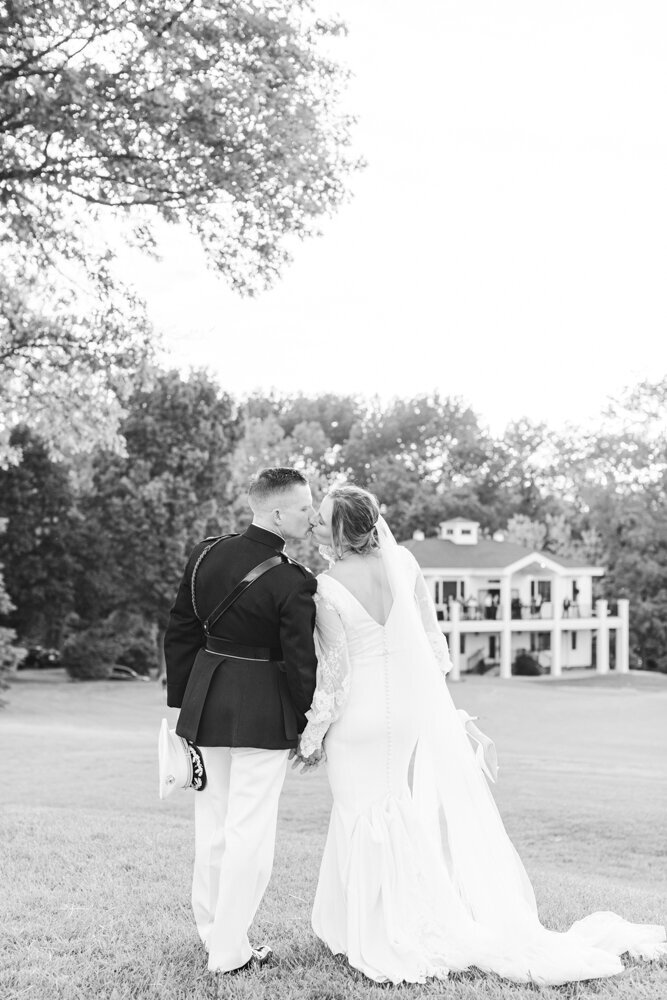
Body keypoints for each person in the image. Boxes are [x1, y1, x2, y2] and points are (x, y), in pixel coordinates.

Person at [296, 484, 666, 986]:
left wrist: (313, 734)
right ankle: (397, 918)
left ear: (341, 530)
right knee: (393, 807)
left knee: (359, 813)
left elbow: (335, 674)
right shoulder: (403, 563)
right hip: (404, 713)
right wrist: (430, 700)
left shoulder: (328, 586)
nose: (314, 525)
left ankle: (372, 929)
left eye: (321, 518)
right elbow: (433, 643)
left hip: (357, 719)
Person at [164, 467, 320, 974]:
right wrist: (304, 726)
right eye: (304, 507)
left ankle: (215, 934)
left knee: (212, 827)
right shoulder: (294, 580)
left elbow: (180, 629)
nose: (312, 514)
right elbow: (301, 664)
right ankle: (229, 951)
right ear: (277, 513)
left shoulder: (206, 554)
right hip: (262, 712)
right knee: (250, 831)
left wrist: (184, 702)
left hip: (205, 700)